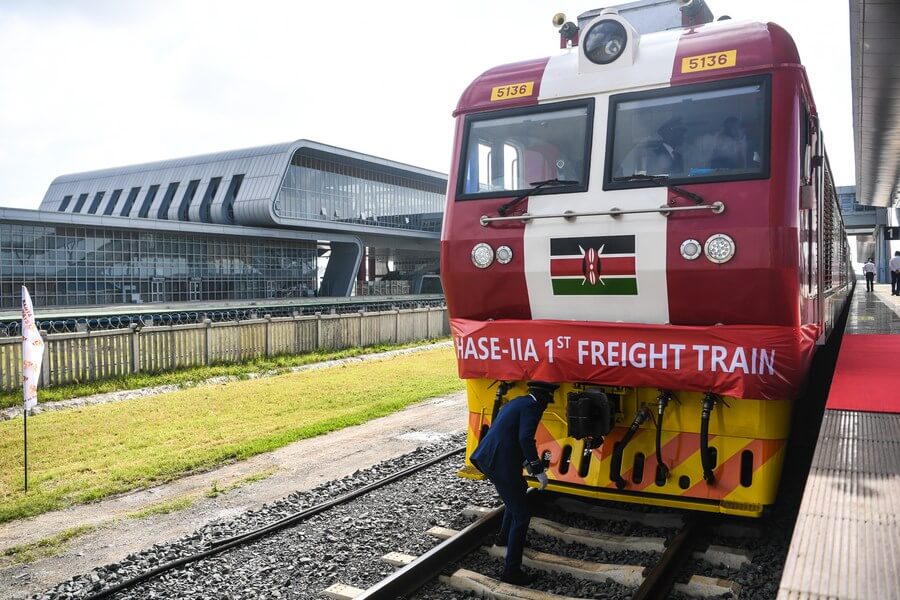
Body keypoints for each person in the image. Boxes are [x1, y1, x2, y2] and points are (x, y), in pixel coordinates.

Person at [469, 381, 558, 585]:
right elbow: (525, 438)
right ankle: (512, 571)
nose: (546, 407)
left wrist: (526, 461)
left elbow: (508, 433)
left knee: (517, 492)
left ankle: (503, 538)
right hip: (501, 463)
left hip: (489, 457)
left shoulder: (517, 402)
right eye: (548, 402)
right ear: (545, 398)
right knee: (522, 514)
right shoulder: (533, 407)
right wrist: (537, 470)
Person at [616, 116, 687, 178]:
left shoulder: (679, 156)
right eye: (680, 131)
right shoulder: (654, 155)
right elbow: (654, 178)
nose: (683, 135)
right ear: (668, 133)